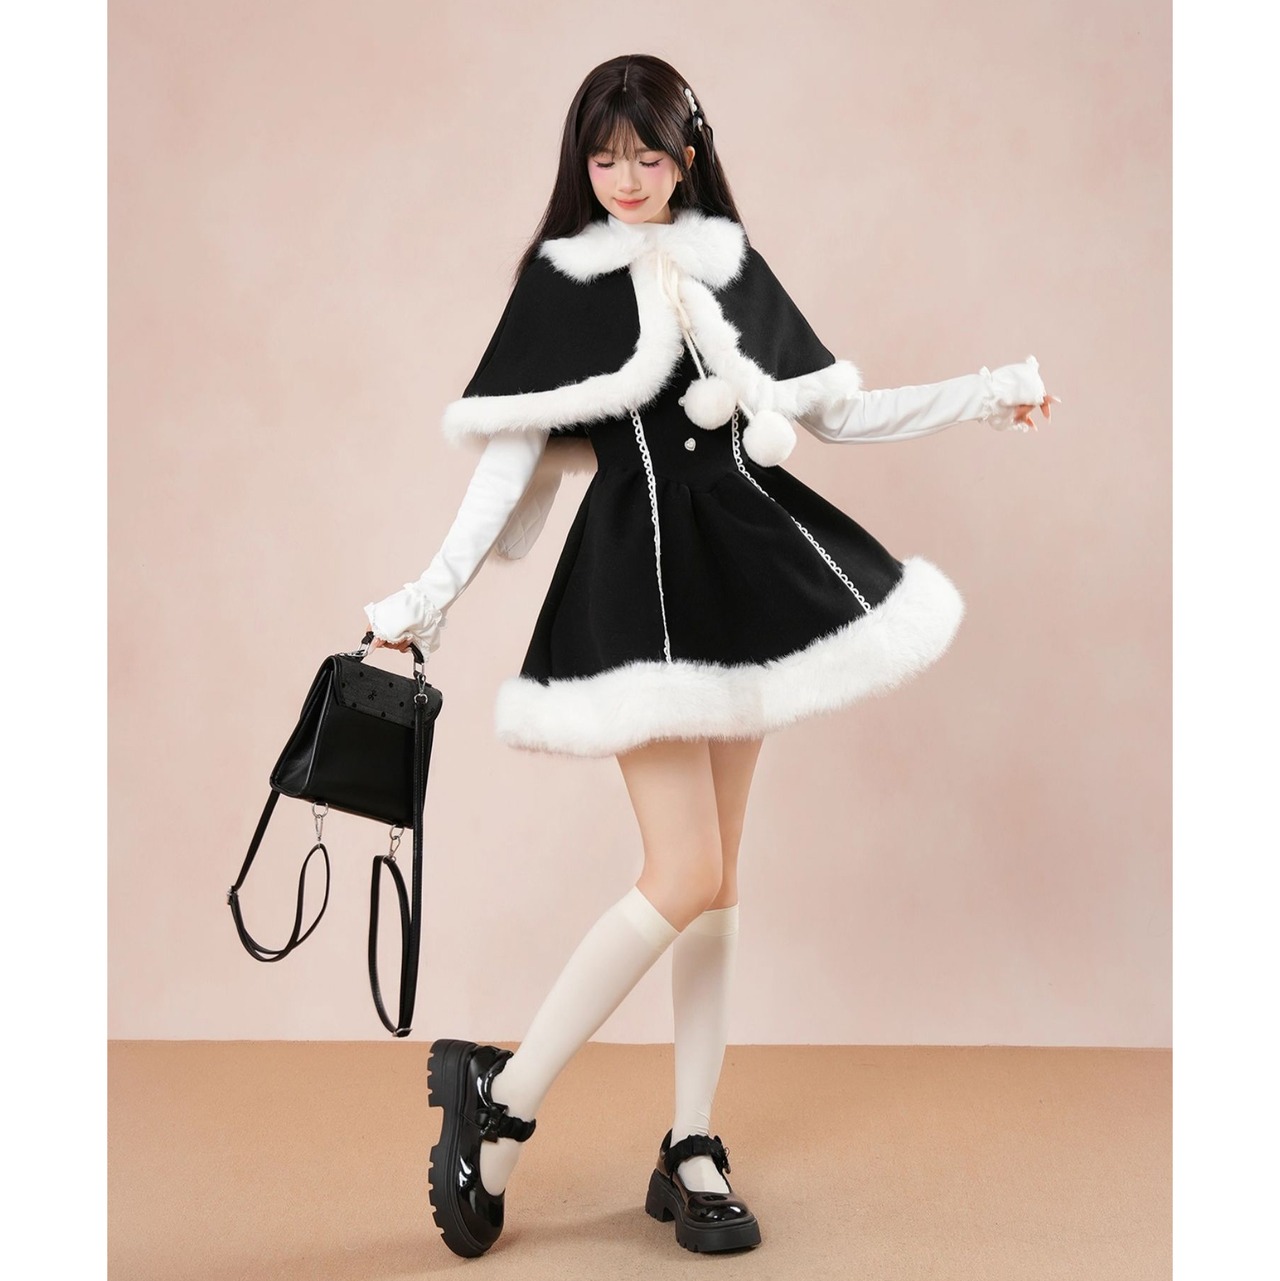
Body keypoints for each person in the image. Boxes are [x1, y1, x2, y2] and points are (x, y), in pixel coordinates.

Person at [362, 54, 1057, 1259]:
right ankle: (502, 1098)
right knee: (680, 868)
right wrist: (421, 603)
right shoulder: (563, 280)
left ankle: (690, 1142)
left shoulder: (728, 260)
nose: (625, 177)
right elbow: (506, 465)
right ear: (580, 163)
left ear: (687, 153)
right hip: (635, 585)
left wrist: (989, 393)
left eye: (647, 153)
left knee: (720, 877)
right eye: (603, 157)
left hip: (741, 570)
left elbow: (836, 412)